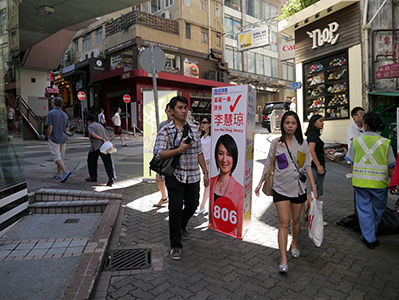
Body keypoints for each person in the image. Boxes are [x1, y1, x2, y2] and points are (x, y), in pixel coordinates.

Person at [254, 111, 318, 273]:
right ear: (283, 125)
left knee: (296, 221)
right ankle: (283, 259)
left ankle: (294, 243)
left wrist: (314, 186)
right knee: (283, 223)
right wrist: (260, 183)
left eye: (293, 123)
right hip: (280, 188)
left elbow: (306, 167)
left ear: (297, 125)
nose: (290, 126)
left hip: (298, 189)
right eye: (287, 123)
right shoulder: (276, 143)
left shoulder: (302, 144)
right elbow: (268, 165)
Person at [153, 95, 209, 260]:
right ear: (171, 110)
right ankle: (176, 245)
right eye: (180, 108)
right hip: (175, 176)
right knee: (175, 209)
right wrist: (179, 150)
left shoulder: (193, 129)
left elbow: (199, 152)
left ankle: (183, 225)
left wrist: (205, 172)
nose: (184, 111)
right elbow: (158, 153)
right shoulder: (165, 130)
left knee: (192, 205)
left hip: (193, 175)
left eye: (185, 108)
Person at [345, 112, 395, 249]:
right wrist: (395, 183)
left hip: (361, 182)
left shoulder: (356, 141)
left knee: (364, 210)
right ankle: (370, 236)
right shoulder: (386, 143)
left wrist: (353, 180)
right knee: (378, 210)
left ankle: (368, 235)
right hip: (380, 183)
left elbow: (352, 163)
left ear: (365, 125)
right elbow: (391, 166)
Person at [209, 134, 244, 236]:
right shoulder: (212, 182)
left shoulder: (240, 190)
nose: (224, 159)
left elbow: (239, 226)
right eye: (221, 153)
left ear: (234, 157)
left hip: (230, 240)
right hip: (213, 236)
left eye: (229, 155)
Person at [45, 97, 71, 183]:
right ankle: (58, 173)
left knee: (56, 157)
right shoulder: (65, 114)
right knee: (61, 157)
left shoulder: (50, 113)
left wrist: (49, 135)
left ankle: (65, 171)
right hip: (63, 138)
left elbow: (50, 126)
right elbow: (67, 128)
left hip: (54, 138)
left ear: (53, 104)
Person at [304, 115, 326, 215]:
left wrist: (324, 152)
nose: (323, 123)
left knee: (313, 193)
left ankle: (304, 214)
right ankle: (311, 216)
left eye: (323, 121)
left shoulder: (314, 134)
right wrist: (318, 165)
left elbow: (315, 150)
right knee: (314, 193)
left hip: (315, 166)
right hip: (315, 167)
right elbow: (311, 150)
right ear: (314, 123)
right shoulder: (313, 135)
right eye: (320, 121)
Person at [85, 114, 115, 187]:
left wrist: (100, 138)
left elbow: (93, 134)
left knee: (91, 161)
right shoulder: (101, 125)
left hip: (96, 147)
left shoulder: (90, 126)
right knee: (107, 162)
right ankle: (110, 178)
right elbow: (107, 135)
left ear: (89, 121)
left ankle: (93, 177)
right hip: (105, 146)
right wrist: (103, 138)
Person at [153, 103, 174, 207]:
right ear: (166, 111)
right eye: (169, 111)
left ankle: (174, 200)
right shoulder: (162, 124)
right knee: (159, 179)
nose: (171, 113)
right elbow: (158, 141)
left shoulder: (179, 124)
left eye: (172, 111)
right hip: (163, 157)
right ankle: (164, 198)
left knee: (173, 181)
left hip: (174, 158)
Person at [347, 107, 365, 213]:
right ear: (354, 117)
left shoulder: (365, 127)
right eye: (360, 114)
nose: (362, 116)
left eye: (363, 114)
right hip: (355, 157)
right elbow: (355, 141)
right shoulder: (351, 128)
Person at [196, 116, 211, 214]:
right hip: (200, 163)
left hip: (209, 162)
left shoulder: (212, 136)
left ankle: (202, 205)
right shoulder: (200, 136)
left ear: (209, 124)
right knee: (203, 184)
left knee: (207, 185)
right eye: (201, 122)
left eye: (205, 122)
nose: (202, 124)